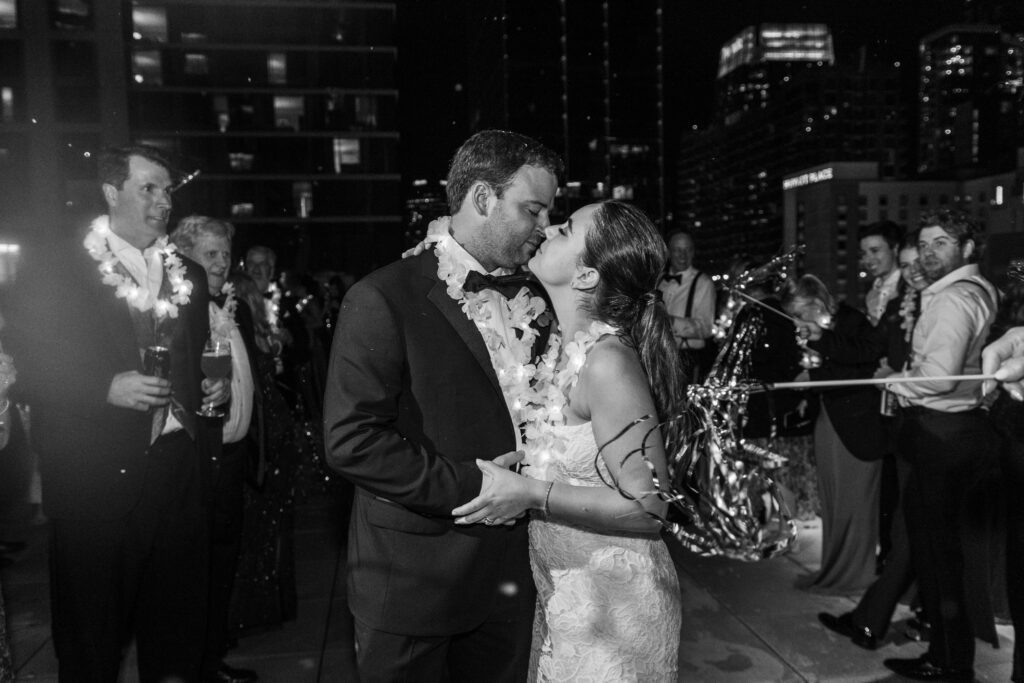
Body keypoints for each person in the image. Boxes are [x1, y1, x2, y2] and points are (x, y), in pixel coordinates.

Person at [324, 130, 562, 682]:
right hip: (413, 584)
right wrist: (478, 489)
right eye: (533, 209)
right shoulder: (382, 297)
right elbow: (351, 442)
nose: (544, 225)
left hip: (511, 578)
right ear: (482, 199)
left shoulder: (540, 299)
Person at [7, 144, 229, 680]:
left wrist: (207, 395)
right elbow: (24, 367)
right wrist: (102, 387)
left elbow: (192, 362)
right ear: (111, 192)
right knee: (91, 642)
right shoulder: (58, 268)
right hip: (94, 481)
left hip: (177, 474)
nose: (162, 201)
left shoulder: (189, 277)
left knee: (175, 634)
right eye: (148, 188)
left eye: (167, 189)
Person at [451, 200, 684, 681]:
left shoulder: (607, 363)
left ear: (585, 277)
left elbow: (651, 506)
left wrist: (531, 494)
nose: (549, 227)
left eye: (566, 228)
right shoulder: (558, 350)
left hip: (615, 611)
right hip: (565, 596)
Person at [882, 210, 1000, 681]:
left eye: (942, 243)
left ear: (968, 249)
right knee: (939, 552)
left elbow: (940, 377)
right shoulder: (975, 290)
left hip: (942, 436)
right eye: (925, 243)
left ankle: (950, 663)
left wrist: (895, 382)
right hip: (957, 434)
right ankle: (949, 655)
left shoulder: (953, 300)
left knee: (937, 554)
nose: (929, 251)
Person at [171, 216, 260, 683]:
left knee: (223, 564)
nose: (222, 263)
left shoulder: (237, 308)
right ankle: (193, 667)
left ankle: (212, 660)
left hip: (234, 457)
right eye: (211, 255)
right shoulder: (179, 308)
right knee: (195, 572)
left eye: (226, 253)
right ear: (186, 258)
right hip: (198, 460)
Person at [783, 275, 885, 595]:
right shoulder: (819, 331)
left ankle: (852, 575)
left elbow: (865, 364)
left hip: (857, 424)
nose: (798, 323)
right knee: (833, 502)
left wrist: (815, 374)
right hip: (830, 417)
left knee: (853, 504)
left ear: (816, 303)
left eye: (800, 314)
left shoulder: (851, 320)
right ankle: (832, 570)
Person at [226, 272, 303, 636]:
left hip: (273, 433)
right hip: (261, 438)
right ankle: (249, 608)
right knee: (257, 525)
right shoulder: (239, 328)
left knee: (271, 524)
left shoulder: (265, 324)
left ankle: (266, 603)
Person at [658, 230, 715, 382]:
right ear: (669, 253)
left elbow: (706, 328)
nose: (683, 255)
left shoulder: (703, 283)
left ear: (693, 252)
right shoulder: (659, 280)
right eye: (677, 250)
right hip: (657, 358)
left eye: (687, 249)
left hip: (685, 361)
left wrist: (670, 321)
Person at [860, 220, 905, 326]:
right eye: (864, 253)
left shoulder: (908, 286)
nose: (867, 260)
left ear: (895, 249)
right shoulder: (872, 293)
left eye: (875, 251)